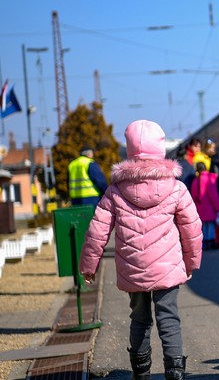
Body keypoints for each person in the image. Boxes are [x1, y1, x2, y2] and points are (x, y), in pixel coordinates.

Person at [78, 119, 202, 380]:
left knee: (139, 319)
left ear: (129, 150)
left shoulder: (115, 191)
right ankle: (175, 372)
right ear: (160, 149)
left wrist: (89, 267)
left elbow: (97, 231)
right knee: (169, 318)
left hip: (132, 269)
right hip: (166, 267)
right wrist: (191, 262)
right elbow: (192, 228)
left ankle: (141, 374)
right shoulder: (176, 188)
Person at [191, 161, 219, 250]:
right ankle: (211, 241)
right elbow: (214, 195)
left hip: (200, 208)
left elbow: (193, 196)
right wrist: (218, 207)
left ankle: (205, 242)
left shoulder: (195, 181)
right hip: (210, 208)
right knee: (211, 225)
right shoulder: (210, 178)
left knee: (204, 225)